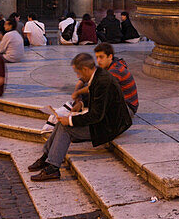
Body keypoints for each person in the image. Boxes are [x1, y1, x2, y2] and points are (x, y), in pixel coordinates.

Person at [28, 52, 132, 182]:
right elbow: (99, 101)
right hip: (107, 119)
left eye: (78, 73)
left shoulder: (103, 81)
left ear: (85, 69)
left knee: (66, 127)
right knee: (62, 124)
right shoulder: (99, 75)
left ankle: (53, 168)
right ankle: (47, 157)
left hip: (111, 126)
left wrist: (71, 120)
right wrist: (82, 104)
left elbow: (96, 115)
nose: (78, 77)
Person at [92, 43, 138, 114]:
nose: (98, 61)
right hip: (124, 104)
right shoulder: (112, 64)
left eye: (101, 57)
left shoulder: (115, 70)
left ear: (110, 56)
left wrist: (79, 93)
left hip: (127, 108)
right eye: (97, 57)